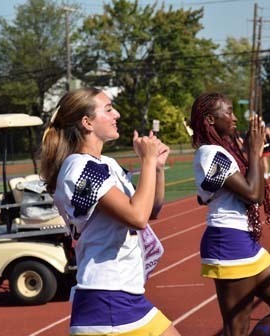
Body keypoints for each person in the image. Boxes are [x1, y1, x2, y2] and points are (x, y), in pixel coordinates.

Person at [40, 88, 180, 336]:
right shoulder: (80, 167)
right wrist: (146, 161)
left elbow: (150, 210)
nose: (117, 113)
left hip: (120, 298)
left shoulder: (106, 164)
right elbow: (136, 218)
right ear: (87, 123)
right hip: (108, 301)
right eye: (108, 109)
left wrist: (156, 168)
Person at [189, 93, 270, 336]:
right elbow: (253, 194)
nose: (234, 118)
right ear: (210, 119)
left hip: (244, 241)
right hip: (228, 242)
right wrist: (254, 152)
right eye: (228, 112)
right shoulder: (210, 152)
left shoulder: (224, 150)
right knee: (236, 330)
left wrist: (252, 152)